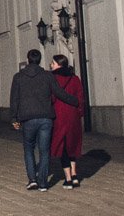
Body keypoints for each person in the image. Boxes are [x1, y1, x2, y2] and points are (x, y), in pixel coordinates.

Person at [10, 48, 80, 192]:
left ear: (28, 59)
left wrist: (14, 118)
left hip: (27, 118)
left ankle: (32, 180)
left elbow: (14, 99)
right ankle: (43, 183)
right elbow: (59, 92)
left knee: (28, 149)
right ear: (40, 60)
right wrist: (74, 101)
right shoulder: (48, 76)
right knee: (44, 150)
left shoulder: (18, 77)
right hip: (46, 118)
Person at [50, 55, 86, 189]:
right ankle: (75, 174)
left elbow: (52, 97)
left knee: (62, 147)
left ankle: (68, 178)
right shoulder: (75, 78)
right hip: (73, 116)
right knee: (73, 145)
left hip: (59, 116)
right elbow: (81, 97)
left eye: (53, 62)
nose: (51, 64)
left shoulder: (53, 79)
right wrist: (79, 113)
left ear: (59, 64)